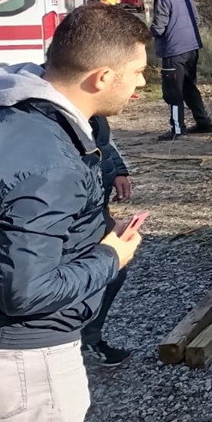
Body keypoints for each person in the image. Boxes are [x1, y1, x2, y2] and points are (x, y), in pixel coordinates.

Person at [0, 4, 148, 422]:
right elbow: (25, 291)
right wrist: (109, 256)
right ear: (102, 77)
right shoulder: (48, 160)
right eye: (139, 72)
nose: (142, 84)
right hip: (25, 355)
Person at [80, 114, 134, 366]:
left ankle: (88, 335)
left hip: (96, 208)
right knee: (107, 269)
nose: (140, 82)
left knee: (115, 269)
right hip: (78, 213)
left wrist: (119, 171)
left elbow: (102, 142)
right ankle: (78, 338)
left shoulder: (91, 109)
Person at [143, 0, 212, 140]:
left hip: (173, 51)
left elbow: (159, 27)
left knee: (172, 91)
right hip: (192, 48)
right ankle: (204, 123)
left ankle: (177, 128)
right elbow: (196, 20)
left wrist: (144, 35)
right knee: (189, 87)